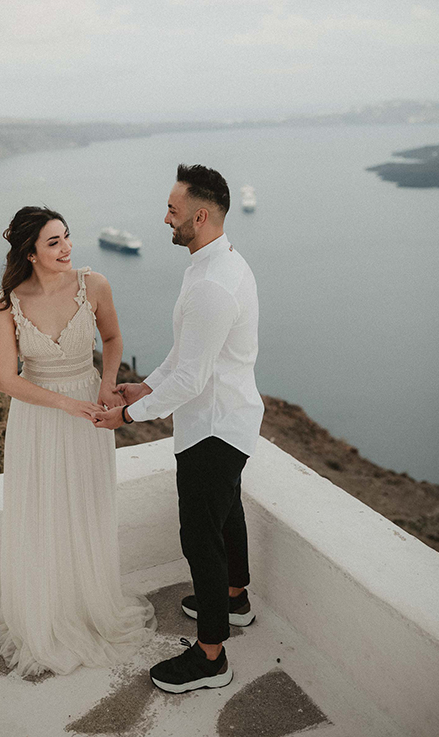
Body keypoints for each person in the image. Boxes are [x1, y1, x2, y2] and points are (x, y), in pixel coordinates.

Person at [94, 164, 264, 693]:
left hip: (213, 427)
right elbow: (185, 354)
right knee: (226, 515)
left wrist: (127, 416)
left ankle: (211, 657)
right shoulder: (212, 264)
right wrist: (146, 387)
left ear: (201, 215)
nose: (165, 217)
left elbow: (191, 378)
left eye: (173, 209)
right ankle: (235, 599)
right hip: (225, 418)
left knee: (199, 539)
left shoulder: (213, 284)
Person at [0, 206, 155, 678]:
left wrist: (107, 384)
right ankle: (47, 615)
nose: (67, 248)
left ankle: (89, 608)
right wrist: (64, 404)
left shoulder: (93, 284)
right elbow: (6, 380)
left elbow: (113, 338)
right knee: (42, 509)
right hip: (38, 416)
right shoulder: (6, 303)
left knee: (86, 503)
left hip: (89, 411)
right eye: (54, 242)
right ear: (31, 253)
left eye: (66, 237)